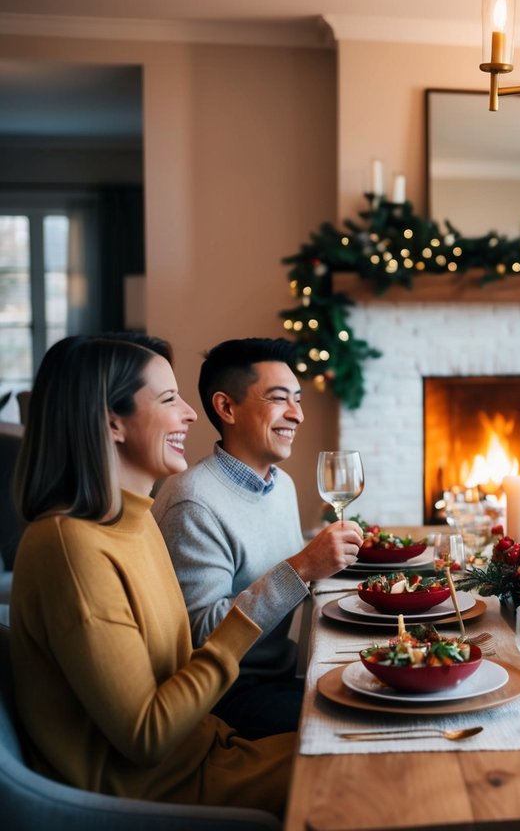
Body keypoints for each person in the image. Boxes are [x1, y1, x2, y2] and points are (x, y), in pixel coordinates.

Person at [8, 334, 292, 813]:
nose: (191, 413)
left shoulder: (134, 521)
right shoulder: (70, 548)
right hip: (162, 793)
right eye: (168, 399)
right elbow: (147, 736)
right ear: (112, 422)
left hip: (210, 751)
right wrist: (241, 627)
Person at [152, 338, 362, 739]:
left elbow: (273, 565)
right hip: (226, 696)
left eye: (298, 399)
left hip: (279, 672)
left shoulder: (279, 484)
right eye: (279, 399)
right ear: (226, 407)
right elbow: (204, 637)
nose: (297, 415)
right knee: (354, 723)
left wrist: (324, 555)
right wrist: (303, 566)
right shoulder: (193, 503)